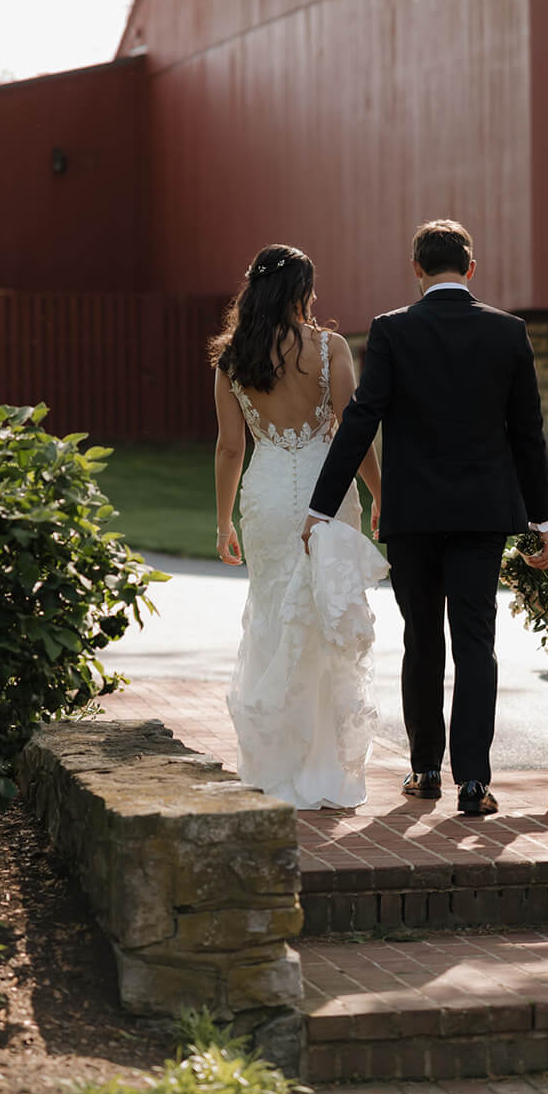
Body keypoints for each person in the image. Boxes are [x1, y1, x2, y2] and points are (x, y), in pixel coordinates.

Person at [302, 220, 548, 818]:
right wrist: (539, 521)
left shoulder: (392, 331)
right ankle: (473, 782)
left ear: (416, 270)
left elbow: (362, 419)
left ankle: (423, 770)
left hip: (413, 516)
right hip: (482, 516)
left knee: (422, 642)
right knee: (475, 643)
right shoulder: (508, 333)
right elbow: (528, 435)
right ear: (471, 268)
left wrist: (320, 506)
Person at [211, 244, 385, 810]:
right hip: (326, 494)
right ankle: (322, 767)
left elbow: (230, 448)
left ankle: (274, 763)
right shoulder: (330, 347)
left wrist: (222, 522)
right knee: (323, 621)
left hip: (263, 497)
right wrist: (381, 493)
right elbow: (351, 432)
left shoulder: (233, 358)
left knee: (271, 618)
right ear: (301, 291)